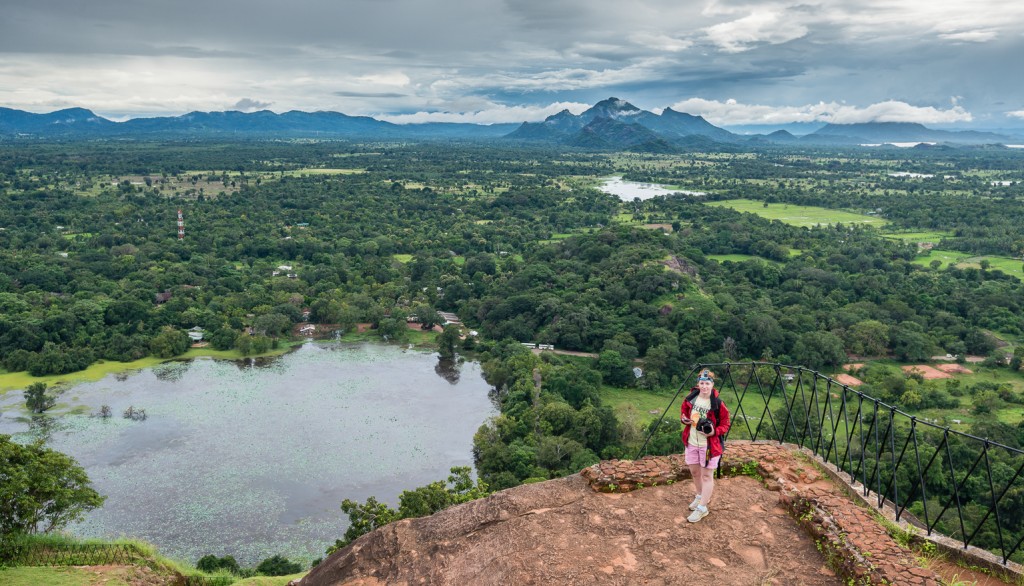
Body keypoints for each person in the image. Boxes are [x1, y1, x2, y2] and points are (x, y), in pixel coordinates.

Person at [680, 368, 731, 523]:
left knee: (707, 475)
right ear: (698, 384)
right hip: (692, 441)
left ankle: (702, 509)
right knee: (695, 472)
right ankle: (700, 496)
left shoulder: (718, 404)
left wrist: (714, 432)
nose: (704, 386)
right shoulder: (691, 398)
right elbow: (683, 413)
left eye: (707, 383)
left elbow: (726, 424)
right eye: (702, 383)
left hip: (709, 445)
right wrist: (684, 420)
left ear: (712, 384)